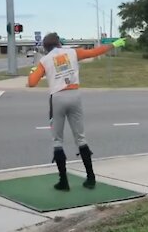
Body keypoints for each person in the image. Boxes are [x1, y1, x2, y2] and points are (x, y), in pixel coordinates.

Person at [27, 33, 126, 191]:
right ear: (59, 43)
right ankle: (91, 178)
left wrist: (33, 71)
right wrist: (115, 44)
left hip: (57, 98)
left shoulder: (44, 61)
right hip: (75, 95)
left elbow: (32, 83)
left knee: (57, 140)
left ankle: (63, 182)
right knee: (80, 138)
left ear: (45, 47)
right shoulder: (73, 52)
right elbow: (96, 52)